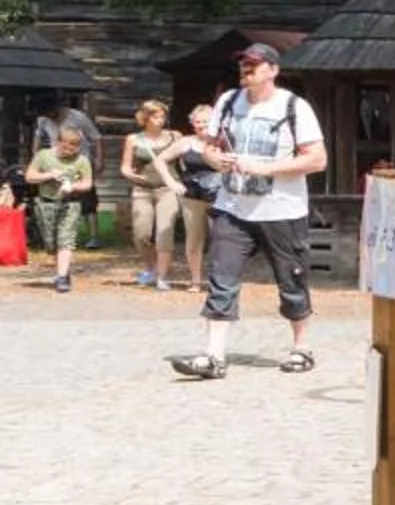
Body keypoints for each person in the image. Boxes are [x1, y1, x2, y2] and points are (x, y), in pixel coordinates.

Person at [170, 44, 327, 378]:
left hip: (282, 210)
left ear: (272, 69)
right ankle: (213, 356)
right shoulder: (227, 102)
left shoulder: (294, 107)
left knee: (292, 280)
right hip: (232, 207)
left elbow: (317, 159)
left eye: (254, 64)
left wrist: (264, 168)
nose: (246, 68)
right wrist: (214, 159)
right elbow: (210, 147)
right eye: (242, 63)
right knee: (221, 278)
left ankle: (301, 348)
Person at [19, 122, 94, 292]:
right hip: (46, 204)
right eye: (66, 148)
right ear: (58, 142)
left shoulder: (82, 161)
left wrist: (73, 187)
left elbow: (87, 184)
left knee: (65, 240)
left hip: (70, 205)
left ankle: (61, 278)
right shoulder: (44, 155)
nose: (70, 152)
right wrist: (48, 175)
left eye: (74, 149)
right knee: (50, 244)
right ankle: (63, 269)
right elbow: (30, 176)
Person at [119, 100, 186, 290]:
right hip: (142, 188)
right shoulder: (134, 139)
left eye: (163, 116)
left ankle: (162, 277)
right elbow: (124, 166)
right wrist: (128, 173)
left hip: (167, 188)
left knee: (165, 230)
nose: (160, 120)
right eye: (155, 116)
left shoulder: (175, 136)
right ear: (145, 118)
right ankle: (151, 268)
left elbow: (184, 164)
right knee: (141, 233)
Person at [169, 104, 220, 292]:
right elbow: (160, 160)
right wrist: (172, 182)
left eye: (205, 121)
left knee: (220, 237)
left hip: (218, 195)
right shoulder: (185, 142)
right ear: (192, 124)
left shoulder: (221, 142)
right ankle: (195, 280)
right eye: (197, 121)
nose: (201, 125)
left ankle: (218, 280)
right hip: (191, 194)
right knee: (194, 238)